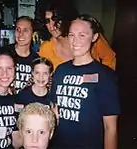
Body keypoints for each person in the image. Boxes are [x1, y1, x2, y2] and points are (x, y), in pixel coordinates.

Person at [50, 14, 120, 149]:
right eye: (71, 35)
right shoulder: (60, 70)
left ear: (94, 37)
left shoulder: (105, 75)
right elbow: (56, 109)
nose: (75, 41)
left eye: (82, 35)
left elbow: (110, 128)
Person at [38, 2, 116, 70]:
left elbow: (110, 58)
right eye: (47, 21)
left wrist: (101, 79)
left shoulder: (88, 35)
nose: (52, 26)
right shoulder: (46, 48)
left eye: (56, 19)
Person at [0, 16, 40, 94]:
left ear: (33, 34)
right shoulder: (2, 53)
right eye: (18, 30)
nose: (21, 34)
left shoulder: (36, 59)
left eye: (25, 30)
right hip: (3, 102)